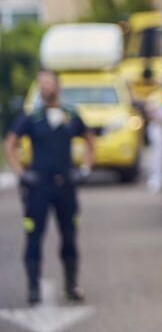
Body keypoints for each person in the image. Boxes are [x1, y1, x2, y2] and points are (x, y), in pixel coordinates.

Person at [3, 70, 94, 304]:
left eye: (48, 83)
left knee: (69, 236)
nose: (44, 88)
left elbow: (90, 140)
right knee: (34, 237)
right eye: (40, 84)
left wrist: (84, 169)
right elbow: (10, 144)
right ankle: (33, 287)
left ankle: (71, 284)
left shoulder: (70, 115)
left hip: (65, 185)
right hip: (38, 187)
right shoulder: (31, 117)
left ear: (58, 87)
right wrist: (22, 174)